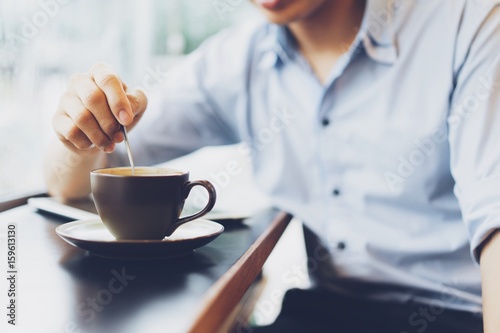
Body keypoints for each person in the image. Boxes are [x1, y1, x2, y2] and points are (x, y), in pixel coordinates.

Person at [45, 0, 500, 332]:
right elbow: (70, 183)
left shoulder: (468, 24)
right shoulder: (238, 60)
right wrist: (81, 128)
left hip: (462, 315)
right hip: (325, 312)